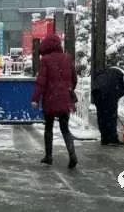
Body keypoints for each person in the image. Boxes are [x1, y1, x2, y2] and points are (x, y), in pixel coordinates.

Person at [30, 34, 78, 169]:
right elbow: (74, 79)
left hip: (50, 99)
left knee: (49, 127)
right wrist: (67, 90)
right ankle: (72, 154)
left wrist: (35, 99)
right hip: (65, 100)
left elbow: (41, 82)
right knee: (65, 128)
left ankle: (49, 156)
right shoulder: (67, 58)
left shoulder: (45, 60)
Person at [92, 64, 124, 146]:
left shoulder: (119, 73)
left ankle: (105, 139)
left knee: (102, 115)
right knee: (111, 116)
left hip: (96, 90)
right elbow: (116, 93)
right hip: (106, 91)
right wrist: (113, 107)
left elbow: (117, 94)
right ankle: (112, 139)